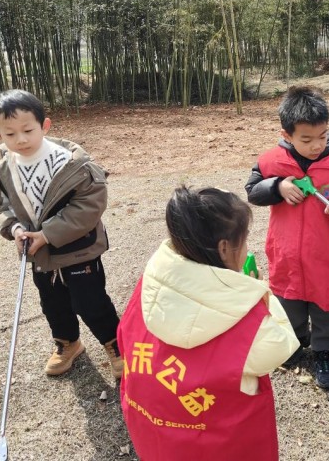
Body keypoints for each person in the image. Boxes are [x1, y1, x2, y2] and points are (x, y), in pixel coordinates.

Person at [117, 187, 298, 461]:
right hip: (222, 447)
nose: (248, 247)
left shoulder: (149, 283)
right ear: (225, 248)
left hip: (155, 436)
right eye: (245, 239)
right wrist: (255, 290)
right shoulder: (248, 322)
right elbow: (283, 344)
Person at [0, 89, 123, 379]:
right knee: (52, 303)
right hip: (38, 254)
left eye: (27, 130)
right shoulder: (5, 168)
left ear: (44, 126)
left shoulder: (71, 163)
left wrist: (47, 234)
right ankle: (67, 343)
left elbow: (89, 205)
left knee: (91, 301)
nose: (20, 140)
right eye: (10, 134)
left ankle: (116, 346)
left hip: (77, 249)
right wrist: (15, 228)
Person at [245, 86, 329, 389]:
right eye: (306, 139)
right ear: (286, 135)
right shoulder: (271, 162)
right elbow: (253, 191)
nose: (316, 145)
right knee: (290, 303)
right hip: (287, 255)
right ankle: (296, 342)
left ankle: (323, 352)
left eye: (323, 136)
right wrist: (276, 187)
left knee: (327, 308)